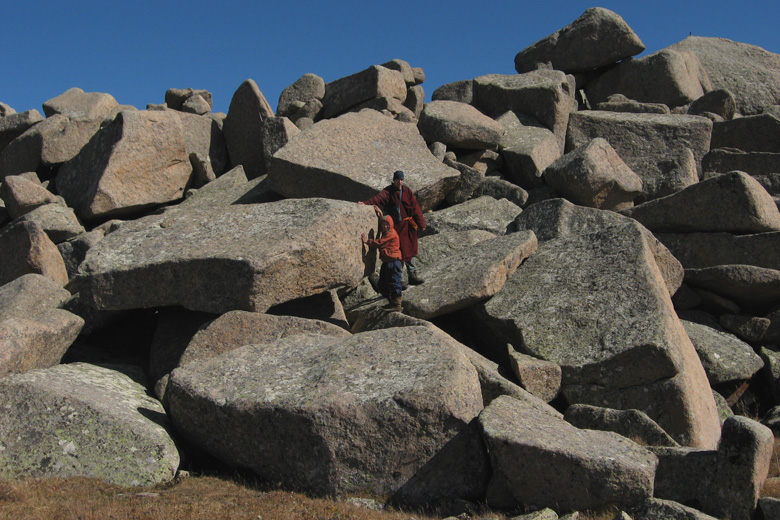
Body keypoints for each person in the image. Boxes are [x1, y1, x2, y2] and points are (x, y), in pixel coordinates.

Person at [359, 170, 427, 285]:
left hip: (409, 227)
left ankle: (413, 275)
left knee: (411, 251)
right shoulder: (388, 191)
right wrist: (365, 203)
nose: (399, 182)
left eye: (401, 180)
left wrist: (422, 223)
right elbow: (378, 199)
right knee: (398, 252)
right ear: (393, 180)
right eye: (397, 180)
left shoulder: (407, 191)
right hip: (398, 228)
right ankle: (398, 279)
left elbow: (415, 207)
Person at [361, 214, 403, 312]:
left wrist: (367, 241)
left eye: (387, 224)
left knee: (394, 281)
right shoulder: (385, 232)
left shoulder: (391, 233)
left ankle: (397, 304)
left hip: (393, 261)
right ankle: (391, 302)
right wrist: (379, 212)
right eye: (383, 225)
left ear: (391, 224)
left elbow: (380, 242)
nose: (385, 226)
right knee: (382, 284)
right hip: (387, 261)